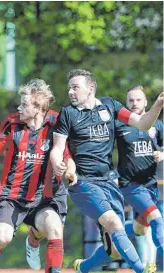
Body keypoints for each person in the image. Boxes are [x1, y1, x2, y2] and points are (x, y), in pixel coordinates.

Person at [50, 69, 163, 273]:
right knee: (114, 223)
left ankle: (83, 267)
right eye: (69, 88)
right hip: (83, 182)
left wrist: (156, 106)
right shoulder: (68, 113)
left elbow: (142, 123)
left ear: (91, 88)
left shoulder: (110, 105)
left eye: (75, 87)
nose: (71, 92)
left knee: (114, 251)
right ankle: (142, 269)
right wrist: (59, 164)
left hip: (110, 183)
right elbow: (57, 148)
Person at [0, 78, 76, 273]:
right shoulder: (12, 124)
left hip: (45, 198)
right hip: (13, 196)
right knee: (2, 238)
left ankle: (35, 240)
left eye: (24, 104)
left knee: (54, 229)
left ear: (38, 108)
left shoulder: (57, 124)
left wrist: (70, 171)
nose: (19, 107)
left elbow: (67, 155)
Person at [116, 86, 163, 262]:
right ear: (126, 103)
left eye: (138, 100)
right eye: (131, 100)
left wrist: (162, 154)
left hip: (150, 185)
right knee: (157, 220)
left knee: (139, 229)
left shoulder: (157, 124)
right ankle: (146, 266)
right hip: (130, 185)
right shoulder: (119, 124)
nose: (134, 103)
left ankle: (112, 232)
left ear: (146, 102)